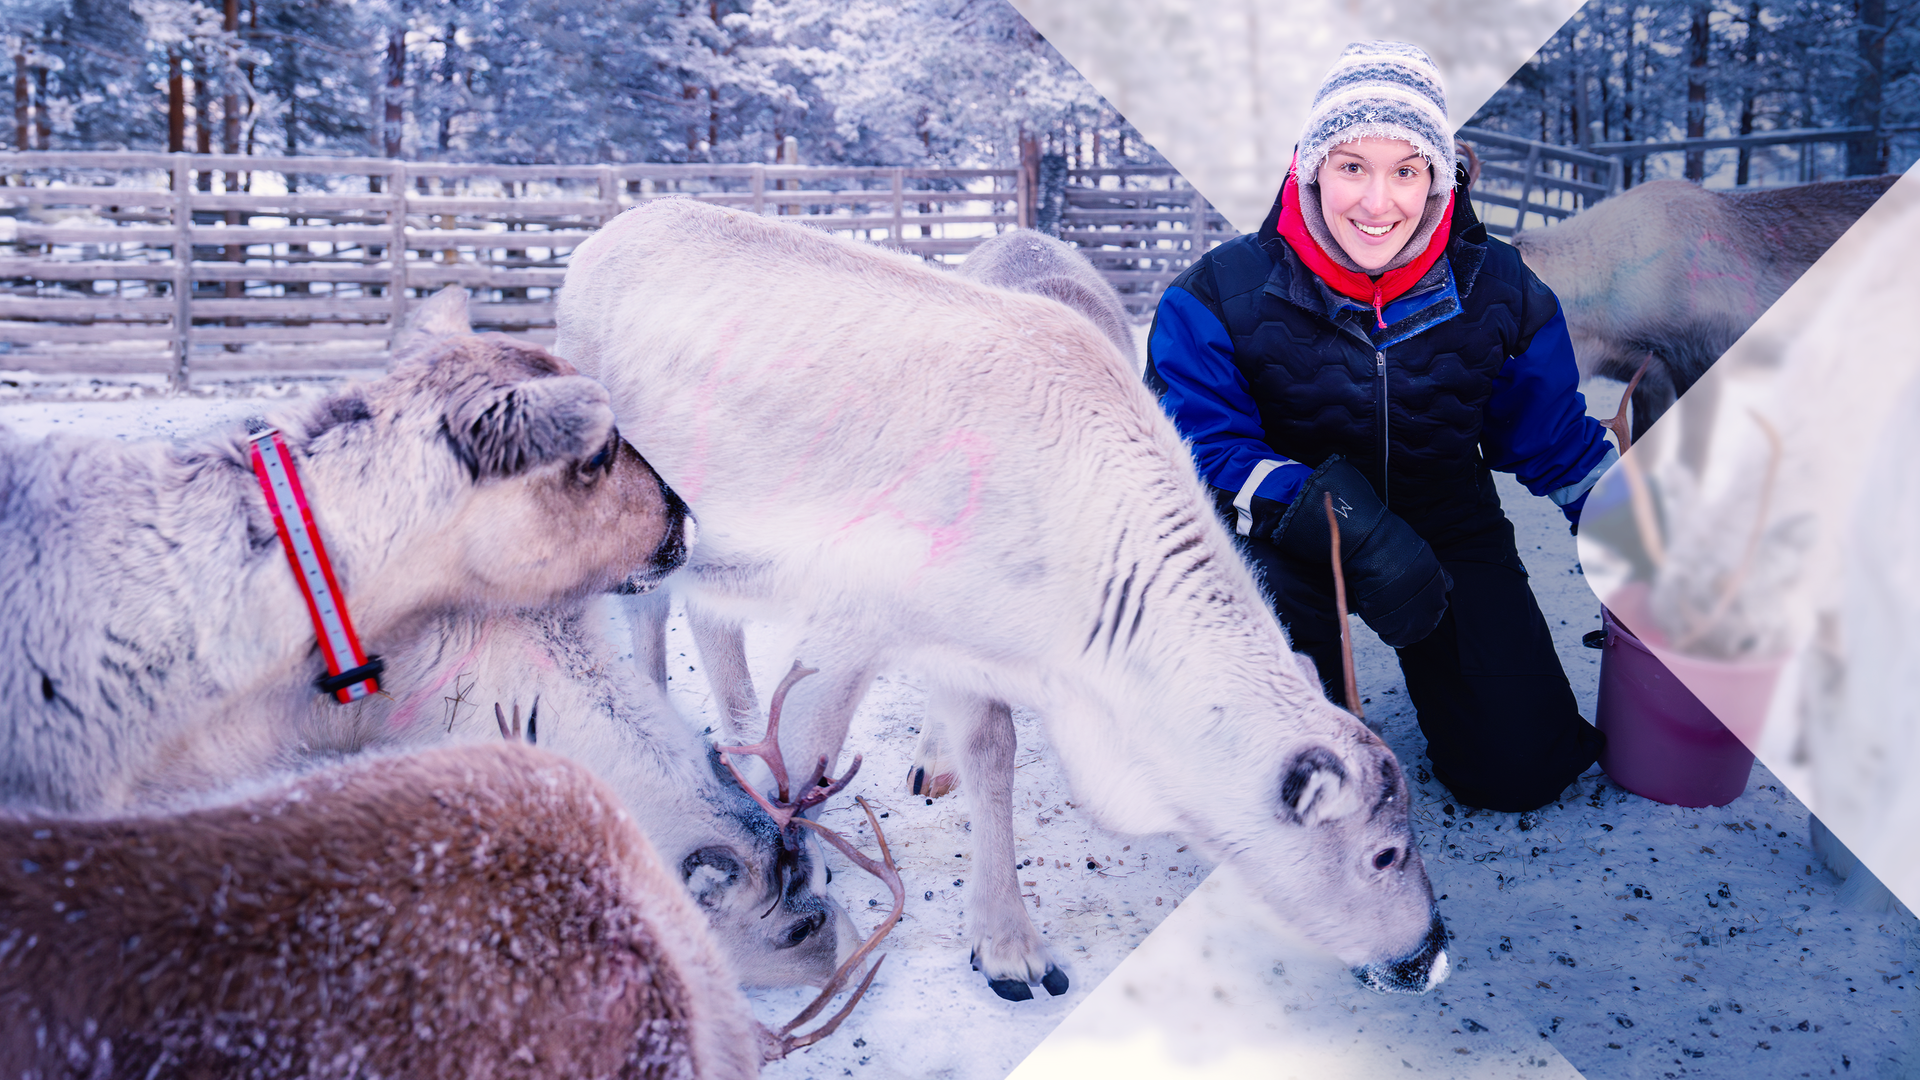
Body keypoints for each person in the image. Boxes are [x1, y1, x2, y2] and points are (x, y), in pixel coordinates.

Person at [1146, 40, 1617, 813]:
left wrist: (1648, 546)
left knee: (1519, 772)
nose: (1377, 202)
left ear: (1438, 176)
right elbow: (1198, 450)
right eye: (1352, 166)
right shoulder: (1217, 296)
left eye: (1405, 169)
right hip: (1284, 535)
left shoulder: (1499, 290)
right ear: (1310, 167)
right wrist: (1343, 524)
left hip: (1445, 517)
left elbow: (1553, 438)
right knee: (1289, 782)